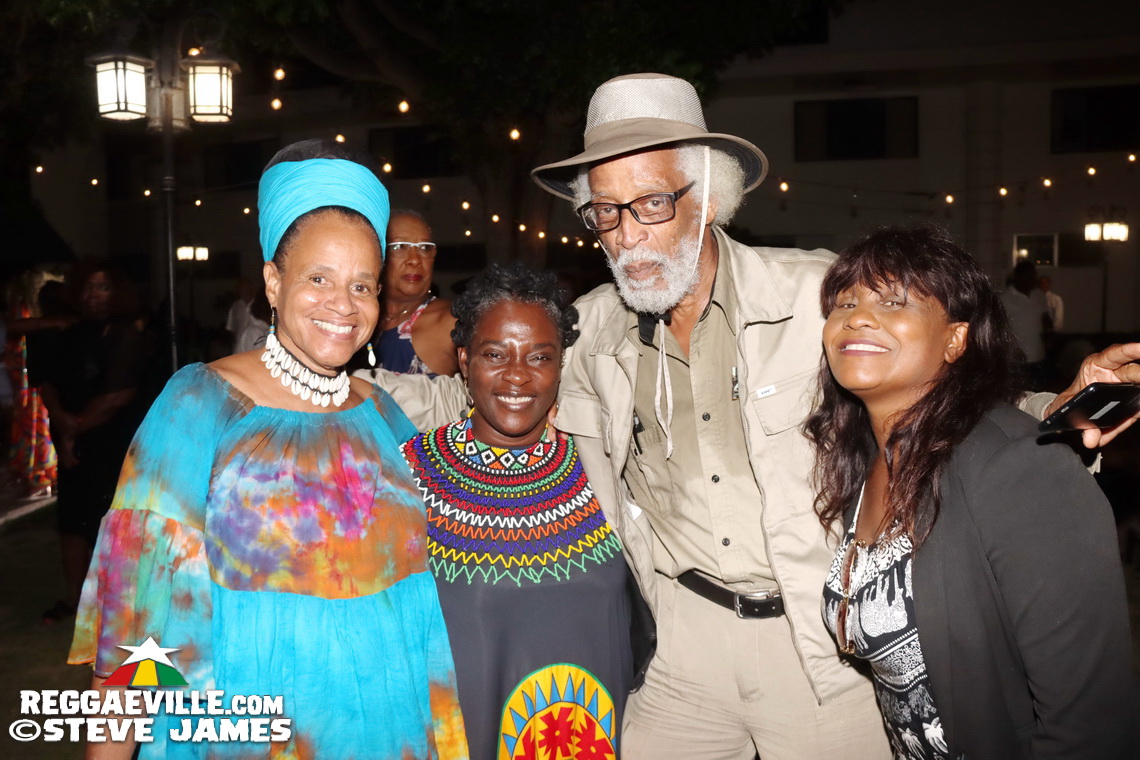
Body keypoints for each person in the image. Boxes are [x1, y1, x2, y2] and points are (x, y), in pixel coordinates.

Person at [369, 73, 1140, 760]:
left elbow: (942, 381)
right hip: (681, 648)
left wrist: (1053, 409)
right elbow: (475, 393)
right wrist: (312, 384)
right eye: (605, 212)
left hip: (819, 653)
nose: (628, 233)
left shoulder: (816, 296)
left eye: (651, 202)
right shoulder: (591, 325)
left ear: (705, 198)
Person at [69, 139, 468, 760]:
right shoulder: (198, 404)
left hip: (388, 726)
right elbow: (134, 620)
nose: (344, 304)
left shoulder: (384, 415)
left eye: (363, 285)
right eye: (318, 278)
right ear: (272, 283)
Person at [806, 225, 1134, 759]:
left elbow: (1091, 724)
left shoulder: (1021, 468)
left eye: (893, 301)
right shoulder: (865, 463)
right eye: (845, 302)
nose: (858, 316)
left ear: (956, 339)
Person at [401, 262, 633, 760]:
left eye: (539, 356)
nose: (517, 376)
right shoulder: (411, 476)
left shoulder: (603, 466)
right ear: (463, 360)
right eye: (494, 354)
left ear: (560, 367)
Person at [39, 262, 148, 625]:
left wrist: (75, 429)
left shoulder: (126, 334)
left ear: (117, 293)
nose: (93, 295)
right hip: (74, 442)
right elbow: (49, 383)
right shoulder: (70, 333)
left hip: (115, 444)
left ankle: (115, 605)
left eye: (102, 288)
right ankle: (74, 599)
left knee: (112, 525)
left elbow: (119, 395)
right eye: (87, 288)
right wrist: (64, 425)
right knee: (71, 524)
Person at [372, 209, 458, 376]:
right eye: (400, 246)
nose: (415, 259)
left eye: (425, 248)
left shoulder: (452, 322)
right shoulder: (357, 319)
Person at [1001, 260, 1051, 389]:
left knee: (1039, 393)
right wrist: (1012, 348)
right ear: (1018, 276)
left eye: (1033, 275)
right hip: (1018, 359)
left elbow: (1045, 318)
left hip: (1039, 355)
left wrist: (1049, 337)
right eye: (1029, 275)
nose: (1033, 279)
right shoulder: (1005, 298)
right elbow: (1000, 328)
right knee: (1020, 395)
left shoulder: (1038, 294)